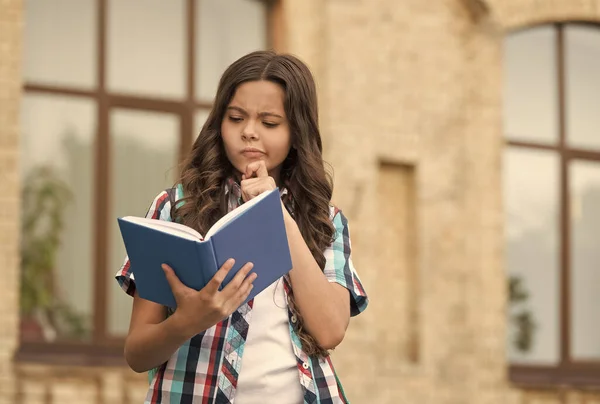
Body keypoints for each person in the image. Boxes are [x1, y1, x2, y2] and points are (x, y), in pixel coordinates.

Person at [115, 50, 368, 404]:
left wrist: (277, 214)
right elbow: (137, 354)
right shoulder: (175, 208)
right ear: (220, 122)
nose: (249, 132)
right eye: (236, 118)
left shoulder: (324, 219)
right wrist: (186, 321)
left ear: (296, 131)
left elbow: (329, 330)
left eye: (269, 123)